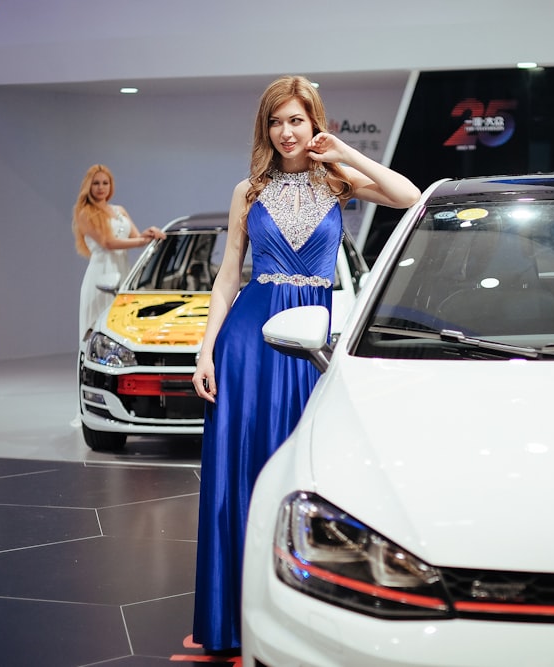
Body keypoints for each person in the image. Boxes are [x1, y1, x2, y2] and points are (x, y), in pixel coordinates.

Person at [190, 75, 420, 654]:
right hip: (248, 342)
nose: (286, 131)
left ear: (313, 121)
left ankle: (303, 617)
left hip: (310, 344)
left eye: (296, 119)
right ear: (264, 128)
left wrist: (340, 150)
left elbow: (410, 196)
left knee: (305, 476)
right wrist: (205, 348)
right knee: (241, 474)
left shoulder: (337, 179)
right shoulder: (250, 189)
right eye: (276, 121)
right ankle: (231, 620)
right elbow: (227, 276)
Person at [72, 164, 165, 342]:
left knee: (121, 326)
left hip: (123, 272)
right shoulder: (85, 213)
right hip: (101, 276)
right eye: (96, 183)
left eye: (105, 183)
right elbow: (107, 242)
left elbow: (137, 237)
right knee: (98, 327)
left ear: (111, 186)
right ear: (88, 187)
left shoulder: (119, 210)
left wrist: (151, 233)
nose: (101, 187)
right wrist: (141, 240)